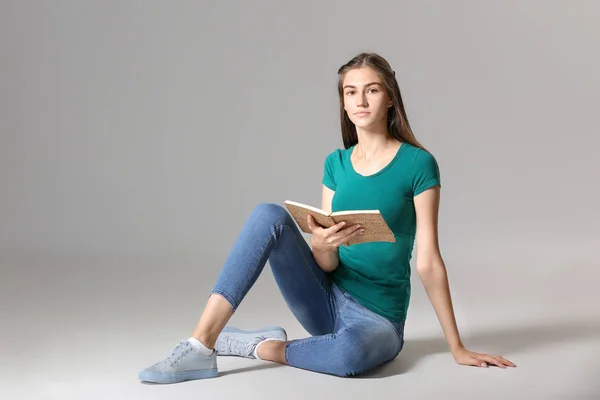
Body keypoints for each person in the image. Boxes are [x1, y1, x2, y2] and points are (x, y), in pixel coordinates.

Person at [139, 52, 516, 384]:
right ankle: (201, 344)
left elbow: (430, 261)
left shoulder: (418, 163)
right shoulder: (335, 164)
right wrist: (320, 244)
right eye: (351, 92)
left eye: (372, 90)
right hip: (326, 299)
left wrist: (457, 346)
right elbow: (327, 262)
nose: (360, 100)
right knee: (268, 215)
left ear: (389, 99)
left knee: (349, 356)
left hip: (378, 320)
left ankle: (257, 345)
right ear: (344, 102)